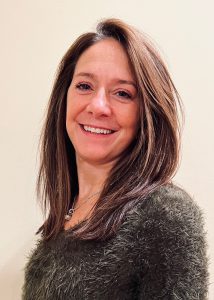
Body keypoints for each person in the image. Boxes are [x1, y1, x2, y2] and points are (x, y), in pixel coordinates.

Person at [22, 18, 208, 299]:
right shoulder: (65, 216)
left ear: (148, 115)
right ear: (65, 97)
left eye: (122, 93)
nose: (98, 106)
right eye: (84, 86)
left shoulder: (165, 216)